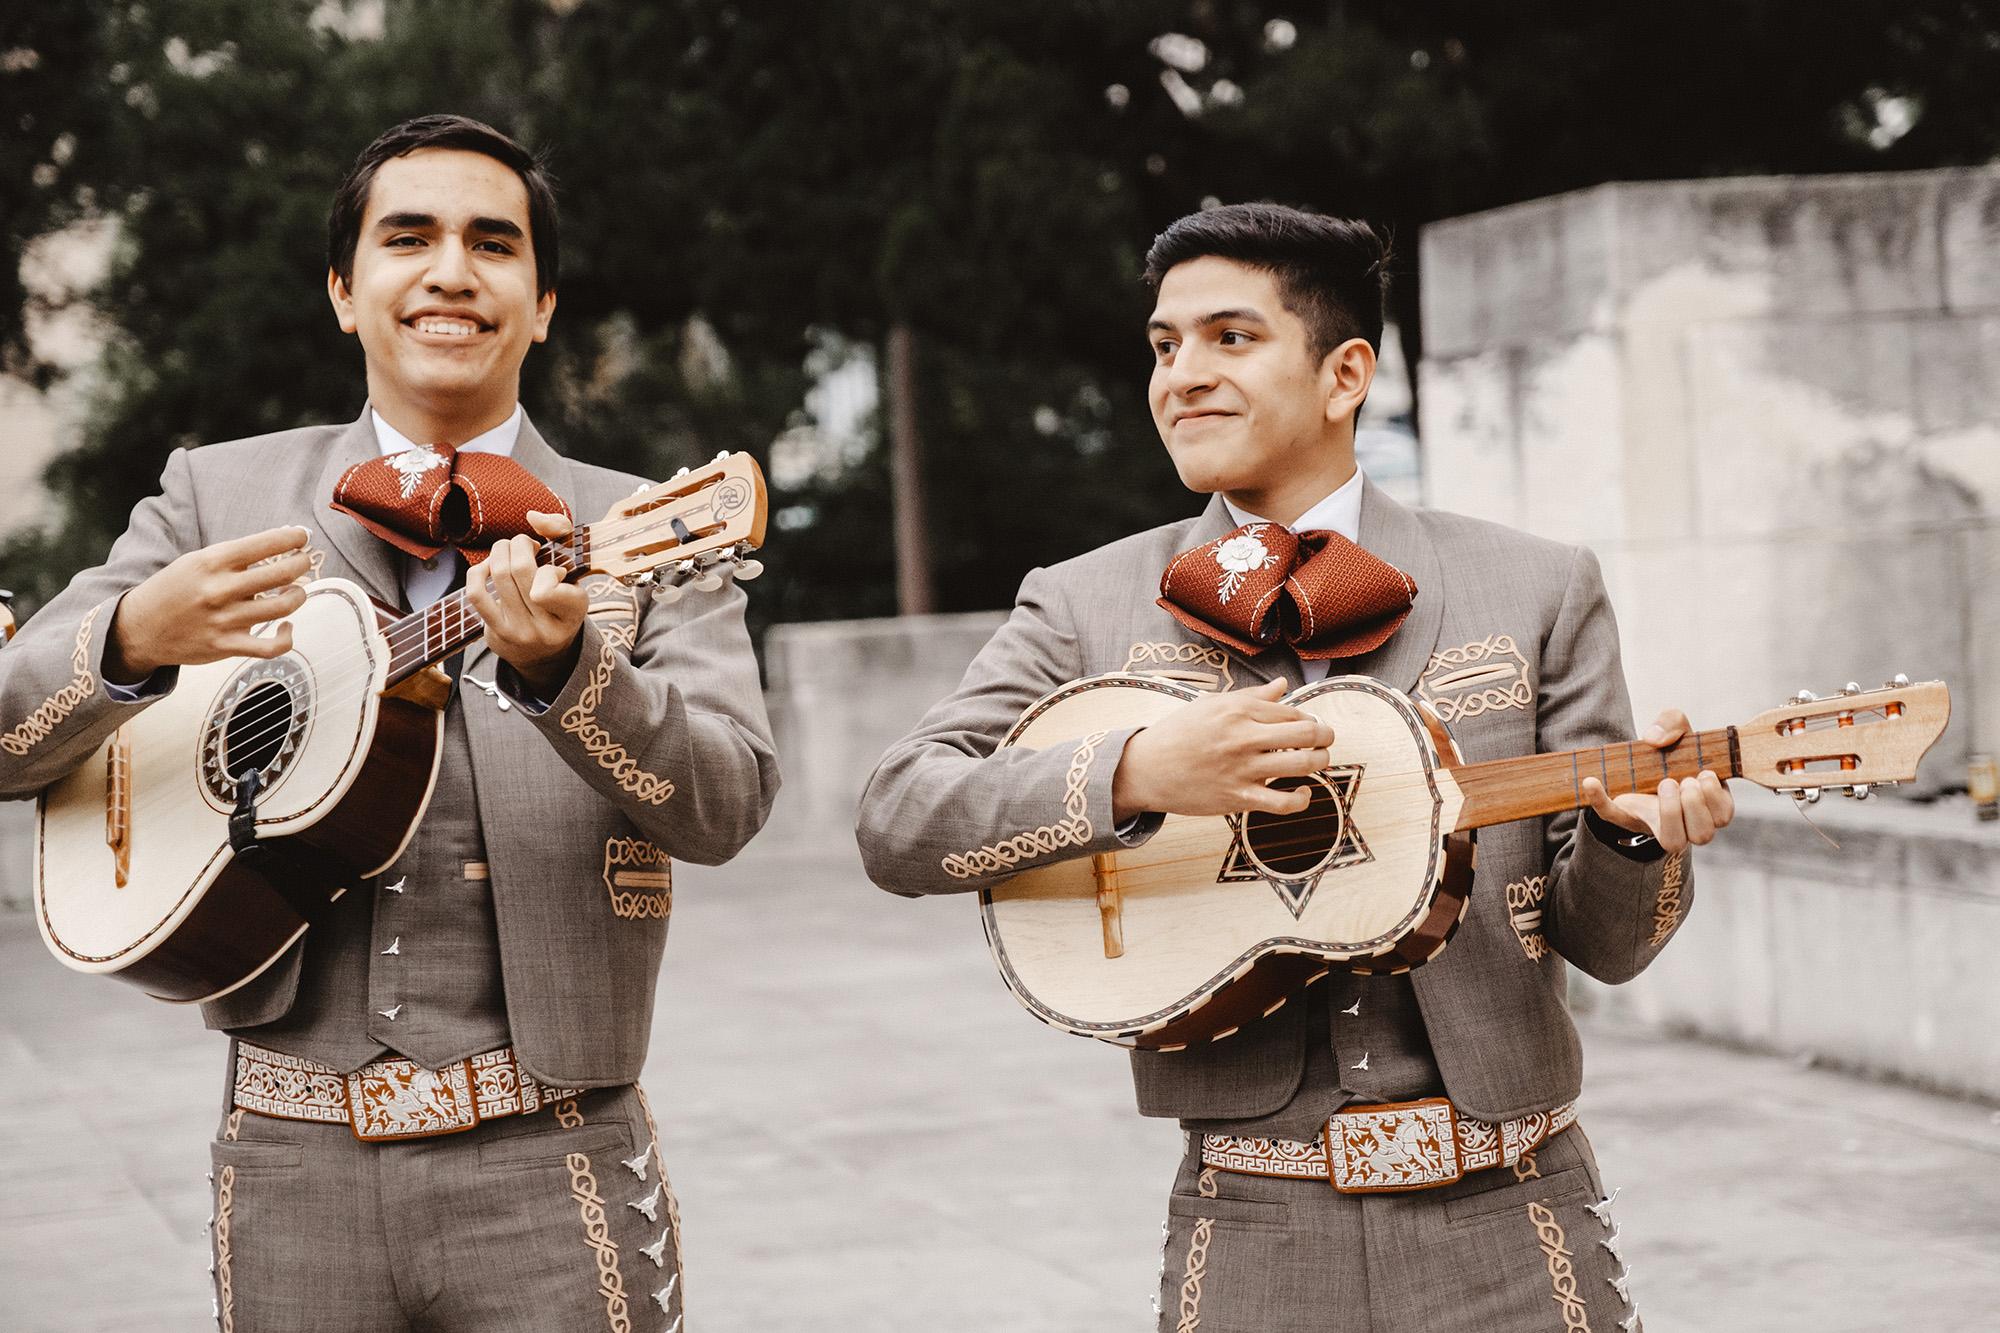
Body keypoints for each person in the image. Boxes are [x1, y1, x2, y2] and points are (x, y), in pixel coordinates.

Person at [855, 202, 1733, 1332]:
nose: (1181, 376)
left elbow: (1609, 946)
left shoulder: (1537, 587)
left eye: (1230, 337)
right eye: (1163, 346)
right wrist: (1131, 771)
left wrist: (1632, 840)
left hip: (1511, 1212)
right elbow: (894, 818)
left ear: (1343, 373)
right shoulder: (1081, 601)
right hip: (1250, 1224)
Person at [0, 114, 778, 1331]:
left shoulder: (638, 522)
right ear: (343, 291)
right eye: (406, 237)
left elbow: (726, 802)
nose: (451, 271)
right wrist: (132, 639)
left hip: (554, 1152)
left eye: (494, 243)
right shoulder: (212, 493)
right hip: (286, 1155)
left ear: (543, 302)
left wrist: (574, 672)